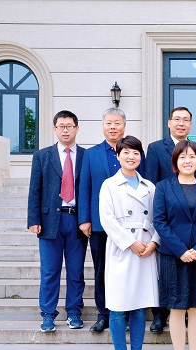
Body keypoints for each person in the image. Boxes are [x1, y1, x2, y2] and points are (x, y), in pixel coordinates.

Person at [99, 136, 160, 350]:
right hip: (122, 249)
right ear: (118, 156)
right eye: (126, 152)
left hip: (146, 250)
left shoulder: (150, 186)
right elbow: (107, 219)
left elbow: (159, 218)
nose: (131, 157)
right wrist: (130, 243)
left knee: (139, 307)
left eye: (135, 153)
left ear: (140, 157)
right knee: (118, 307)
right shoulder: (109, 185)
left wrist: (154, 242)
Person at [78, 108, 145, 332]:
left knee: (128, 270)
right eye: (109, 123)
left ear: (124, 126)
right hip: (100, 225)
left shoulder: (135, 153)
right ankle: (104, 314)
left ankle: (126, 312)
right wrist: (84, 219)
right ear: (103, 126)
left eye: (117, 123)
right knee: (102, 270)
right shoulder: (91, 154)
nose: (113, 127)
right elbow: (84, 187)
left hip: (130, 226)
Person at [153, 140, 196, 350]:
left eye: (192, 157)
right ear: (175, 161)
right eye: (182, 157)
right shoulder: (163, 187)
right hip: (172, 255)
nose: (187, 161)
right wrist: (181, 250)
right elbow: (160, 221)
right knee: (177, 308)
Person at [27, 110, 87, 332]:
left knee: (76, 271)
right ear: (54, 129)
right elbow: (35, 190)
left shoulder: (86, 156)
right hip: (50, 220)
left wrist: (88, 219)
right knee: (50, 271)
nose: (65, 130)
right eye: (61, 126)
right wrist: (33, 219)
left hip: (77, 220)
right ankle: (48, 314)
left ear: (77, 128)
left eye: (69, 126)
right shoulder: (42, 156)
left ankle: (74, 312)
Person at [146, 107, 196, 334]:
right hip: (164, 219)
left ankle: (184, 311)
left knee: (186, 274)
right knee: (163, 272)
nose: (181, 123)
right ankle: (159, 315)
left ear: (191, 125)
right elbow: (150, 183)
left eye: (185, 120)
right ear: (169, 123)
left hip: (190, 220)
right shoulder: (156, 148)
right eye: (177, 119)